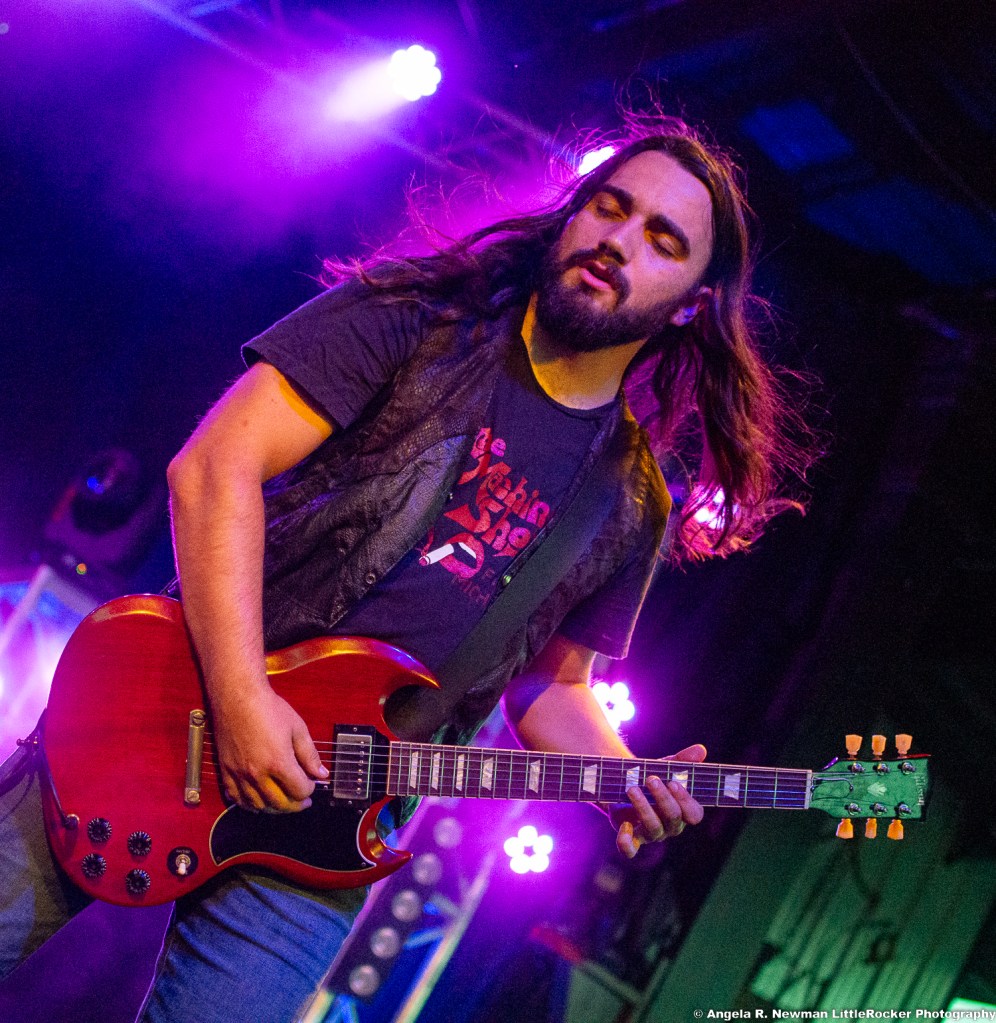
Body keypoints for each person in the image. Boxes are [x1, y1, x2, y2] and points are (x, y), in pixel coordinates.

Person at [0, 115, 812, 1022]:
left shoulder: (630, 501)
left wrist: (622, 776)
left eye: (663, 240)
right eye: (610, 207)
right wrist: (240, 699)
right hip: (169, 707)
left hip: (328, 830)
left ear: (694, 302)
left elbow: (553, 686)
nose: (619, 240)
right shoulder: (417, 322)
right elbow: (214, 467)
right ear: (572, 213)